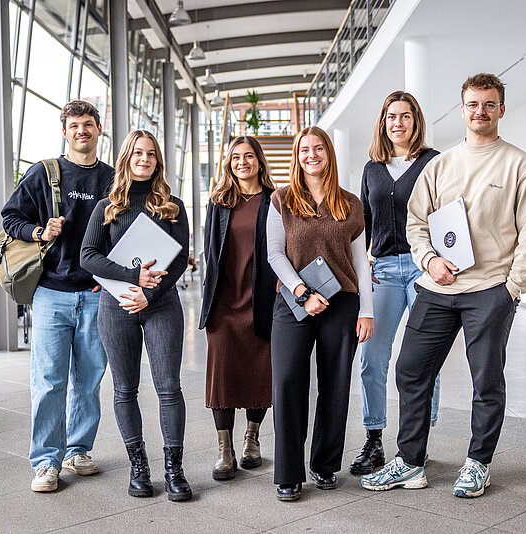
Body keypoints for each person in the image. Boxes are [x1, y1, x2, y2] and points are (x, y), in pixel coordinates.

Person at [361, 73, 526, 498]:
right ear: (462, 108)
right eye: (472, 104)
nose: (479, 112)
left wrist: (512, 288)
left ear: (501, 109)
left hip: (490, 291)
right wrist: (429, 260)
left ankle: (477, 463)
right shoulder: (442, 164)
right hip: (437, 287)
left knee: (486, 380)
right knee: (410, 369)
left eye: (488, 104)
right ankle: (410, 463)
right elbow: (416, 221)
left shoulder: (520, 165)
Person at [2, 99, 113, 493]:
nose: (82, 131)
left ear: (100, 129)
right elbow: (10, 217)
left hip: (97, 294)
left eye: (89, 124)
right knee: (49, 380)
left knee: (88, 379)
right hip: (51, 293)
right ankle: (46, 462)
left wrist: (114, 278)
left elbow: (126, 233)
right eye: (75, 125)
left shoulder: (113, 179)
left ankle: (77, 450)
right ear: (64, 131)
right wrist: (39, 232)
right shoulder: (44, 173)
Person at [80, 129, 191, 501]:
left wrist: (150, 293)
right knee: (124, 389)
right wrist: (133, 278)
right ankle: (138, 467)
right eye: (137, 153)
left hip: (160, 305)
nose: (144, 159)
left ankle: (174, 469)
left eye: (151, 154)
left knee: (168, 388)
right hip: (116, 306)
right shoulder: (107, 206)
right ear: (126, 158)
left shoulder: (173, 206)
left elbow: (178, 262)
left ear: (158, 160)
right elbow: (88, 256)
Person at [267, 126, 374, 502]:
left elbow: (360, 261)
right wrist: (302, 292)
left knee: (335, 385)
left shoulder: (350, 203)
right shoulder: (282, 200)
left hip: (341, 303)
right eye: (304, 150)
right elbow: (275, 254)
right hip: (293, 300)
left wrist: (367, 310)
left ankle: (325, 465)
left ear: (329, 153)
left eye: (318, 149)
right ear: (296, 157)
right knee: (287, 383)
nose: (311, 155)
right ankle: (289, 473)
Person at [352, 91, 441, 476]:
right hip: (384, 270)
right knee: (372, 356)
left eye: (405, 116)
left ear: (415, 121)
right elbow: (361, 227)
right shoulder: (372, 168)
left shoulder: (433, 162)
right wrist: (361, 272)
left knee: (424, 359)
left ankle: (418, 437)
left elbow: (448, 215)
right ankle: (374, 439)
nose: (398, 123)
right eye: (392, 116)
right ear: (383, 122)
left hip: (424, 269)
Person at [199, 136, 278, 480]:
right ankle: (224, 448)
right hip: (224, 303)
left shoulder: (276, 200)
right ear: (228, 163)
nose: (242, 162)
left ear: (260, 161)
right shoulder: (219, 201)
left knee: (261, 370)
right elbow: (209, 253)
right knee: (223, 374)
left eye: (248, 156)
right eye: (235, 157)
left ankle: (252, 438)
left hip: (262, 300)